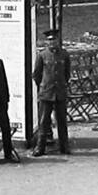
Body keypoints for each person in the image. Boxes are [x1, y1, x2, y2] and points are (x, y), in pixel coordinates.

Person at [31, 28, 71, 157]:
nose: (52, 42)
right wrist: (43, 86)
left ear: (58, 40)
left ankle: (64, 146)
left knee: (62, 121)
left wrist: (62, 84)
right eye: (49, 40)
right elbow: (36, 74)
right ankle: (40, 147)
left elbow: (67, 74)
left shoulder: (64, 55)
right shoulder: (42, 55)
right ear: (46, 42)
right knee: (43, 122)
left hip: (60, 91)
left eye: (54, 39)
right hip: (47, 92)